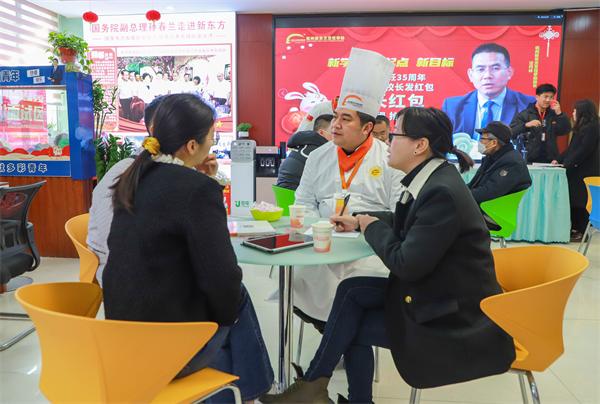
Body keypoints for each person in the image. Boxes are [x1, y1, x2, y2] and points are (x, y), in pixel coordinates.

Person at [262, 107, 515, 404]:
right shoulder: (433, 178)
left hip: (451, 312)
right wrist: (362, 219)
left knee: (347, 324)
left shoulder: (441, 192)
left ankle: (317, 389)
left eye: (395, 135)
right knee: (351, 292)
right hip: (436, 290)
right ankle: (319, 390)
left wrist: (371, 227)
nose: (388, 141)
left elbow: (405, 264)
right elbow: (408, 220)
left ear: (420, 145)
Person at [102, 94, 273, 402]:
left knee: (227, 303)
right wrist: (223, 319)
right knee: (234, 300)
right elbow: (222, 277)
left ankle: (252, 390)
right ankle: (252, 391)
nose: (213, 144)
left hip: (121, 334)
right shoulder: (197, 190)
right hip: (168, 345)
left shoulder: (135, 177)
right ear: (192, 146)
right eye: (211, 138)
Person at [293, 48, 405, 323]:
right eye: (335, 117)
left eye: (345, 119)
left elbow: (399, 213)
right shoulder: (318, 157)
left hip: (369, 248)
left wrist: (362, 226)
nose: (335, 125)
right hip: (323, 244)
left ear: (367, 128)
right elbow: (303, 202)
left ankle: (336, 334)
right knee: (301, 277)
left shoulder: (390, 159)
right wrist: (318, 227)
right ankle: (334, 331)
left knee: (354, 290)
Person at [87, 97, 164, 286]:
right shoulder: (128, 172)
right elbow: (116, 245)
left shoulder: (161, 171)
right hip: (126, 278)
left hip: (136, 271)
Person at [442, 43, 535, 139]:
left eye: (495, 68)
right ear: (470, 75)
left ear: (509, 72)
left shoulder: (528, 104)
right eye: (480, 69)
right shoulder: (452, 107)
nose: (487, 75)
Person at [552, 99, 600, 241]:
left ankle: (581, 231)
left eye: (574, 111)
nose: (573, 114)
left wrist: (567, 164)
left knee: (580, 201)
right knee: (574, 200)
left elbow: (584, 150)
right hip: (576, 170)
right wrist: (558, 160)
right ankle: (575, 229)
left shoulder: (592, 127)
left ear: (582, 112)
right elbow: (571, 149)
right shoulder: (582, 128)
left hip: (585, 171)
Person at [467, 121, 532, 205]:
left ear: (494, 142)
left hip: (491, 208)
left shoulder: (512, 162)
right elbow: (474, 184)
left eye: (482, 139)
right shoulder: (491, 158)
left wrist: (460, 195)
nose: (479, 142)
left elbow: (489, 192)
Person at [510, 83, 571, 163]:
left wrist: (560, 114)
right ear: (537, 97)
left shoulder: (554, 114)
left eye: (551, 97)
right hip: (529, 158)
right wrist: (526, 125)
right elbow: (511, 132)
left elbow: (565, 130)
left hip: (550, 159)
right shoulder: (525, 114)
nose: (548, 100)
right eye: (545, 96)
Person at [276, 113, 332, 191]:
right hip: (296, 196)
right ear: (321, 133)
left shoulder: (303, 145)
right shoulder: (317, 152)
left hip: (286, 195)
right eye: (334, 132)